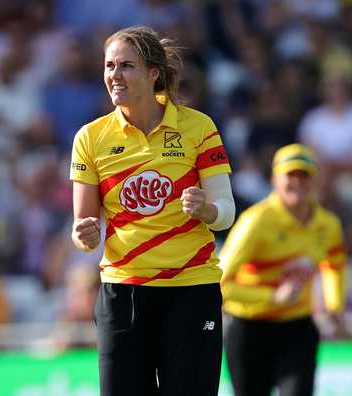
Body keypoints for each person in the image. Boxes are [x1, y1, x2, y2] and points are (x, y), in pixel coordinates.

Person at [70, 26, 235, 396]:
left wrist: (207, 210)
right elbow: (84, 227)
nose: (114, 75)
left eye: (126, 65)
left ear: (153, 73)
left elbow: (226, 210)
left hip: (191, 290)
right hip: (123, 291)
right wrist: (84, 234)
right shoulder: (90, 138)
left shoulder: (199, 127)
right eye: (109, 65)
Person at [220, 143, 347, 396]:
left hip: (297, 327)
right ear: (274, 179)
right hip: (250, 328)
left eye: (305, 176)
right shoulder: (256, 222)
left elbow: (334, 266)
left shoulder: (328, 224)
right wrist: (272, 298)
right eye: (291, 176)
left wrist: (334, 307)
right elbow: (220, 282)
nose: (298, 183)